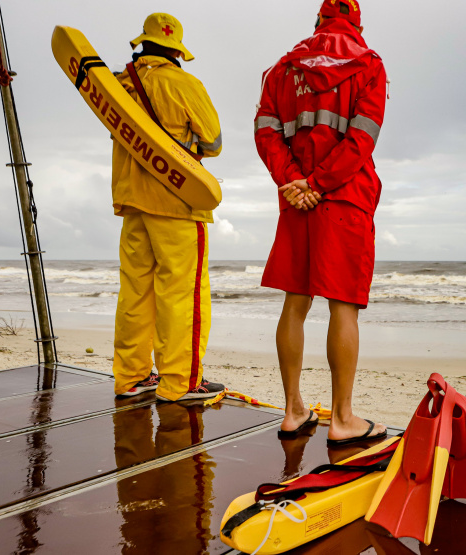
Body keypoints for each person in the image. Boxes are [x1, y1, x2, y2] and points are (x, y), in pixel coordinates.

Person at [254, 0, 388, 446]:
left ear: (318, 21)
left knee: (296, 301)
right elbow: (361, 138)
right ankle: (343, 418)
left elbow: (265, 130)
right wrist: (320, 182)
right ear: (356, 22)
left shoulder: (281, 69)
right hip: (344, 196)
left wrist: (295, 181)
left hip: (298, 199)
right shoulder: (368, 64)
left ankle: (293, 410)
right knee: (342, 305)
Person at [112, 13, 225, 401]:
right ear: (177, 50)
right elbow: (213, 143)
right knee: (182, 295)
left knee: (135, 293)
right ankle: (180, 383)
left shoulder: (119, 84)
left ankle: (130, 378)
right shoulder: (184, 83)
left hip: (131, 201)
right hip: (177, 200)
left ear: (142, 43)